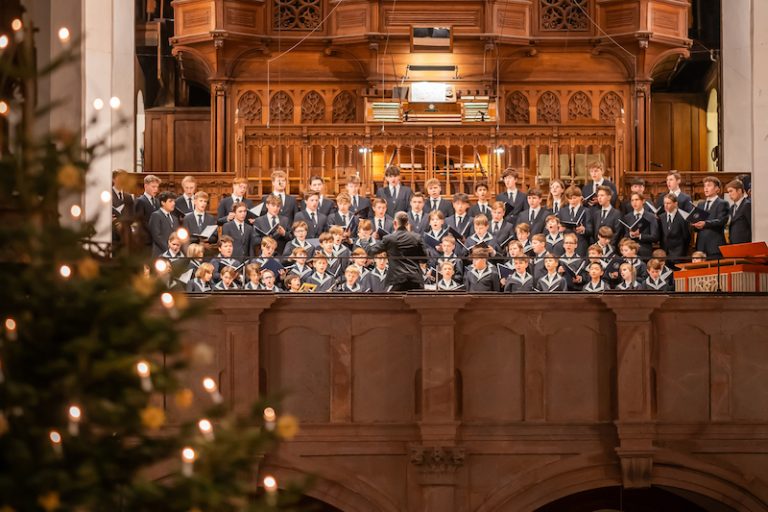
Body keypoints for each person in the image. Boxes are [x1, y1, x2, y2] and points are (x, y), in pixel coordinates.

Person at [365, 211, 428, 291]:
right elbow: (424, 259)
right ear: (407, 224)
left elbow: (370, 252)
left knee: (393, 303)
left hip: (397, 280)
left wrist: (364, 240)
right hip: (415, 280)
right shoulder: (417, 238)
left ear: (394, 223)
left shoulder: (389, 238)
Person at [692, 176, 728, 259]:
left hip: (714, 246)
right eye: (704, 186)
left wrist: (705, 224)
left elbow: (721, 221)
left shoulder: (722, 203)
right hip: (701, 247)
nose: (706, 188)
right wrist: (694, 224)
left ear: (717, 189)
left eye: (709, 185)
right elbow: (697, 225)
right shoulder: (701, 204)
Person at [619, 192, 659, 259]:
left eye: (637, 200)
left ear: (643, 201)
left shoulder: (651, 217)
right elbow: (625, 236)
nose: (634, 202)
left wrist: (639, 236)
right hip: (630, 253)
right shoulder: (627, 217)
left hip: (645, 252)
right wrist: (631, 235)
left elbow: (655, 237)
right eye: (632, 200)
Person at [557, 186, 592, 255]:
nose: (572, 201)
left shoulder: (585, 211)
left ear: (580, 197)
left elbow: (590, 230)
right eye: (570, 198)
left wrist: (583, 229)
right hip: (565, 244)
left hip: (580, 244)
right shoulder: (562, 210)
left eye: (574, 198)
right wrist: (559, 228)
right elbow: (558, 226)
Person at [659, 193, 691, 263]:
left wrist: (682, 252)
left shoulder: (683, 217)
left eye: (668, 203)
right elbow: (662, 235)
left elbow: (687, 237)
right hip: (665, 254)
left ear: (675, 204)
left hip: (679, 254)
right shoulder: (662, 217)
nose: (666, 205)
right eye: (665, 203)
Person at [134, 174, 161, 253]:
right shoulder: (140, 201)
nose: (156, 189)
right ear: (146, 186)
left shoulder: (157, 201)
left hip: (155, 239)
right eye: (153, 187)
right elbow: (139, 221)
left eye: (157, 187)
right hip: (145, 239)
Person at [148, 191, 180, 256]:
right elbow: (156, 236)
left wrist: (175, 248)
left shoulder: (175, 218)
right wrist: (169, 249)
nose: (173, 203)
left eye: (174, 201)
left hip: (174, 253)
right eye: (170, 201)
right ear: (163, 202)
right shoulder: (156, 215)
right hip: (160, 253)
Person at [725, 179, 752, 245]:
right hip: (733, 243)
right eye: (728, 192)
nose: (729, 194)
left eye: (731, 191)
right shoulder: (732, 207)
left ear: (739, 191)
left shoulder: (747, 205)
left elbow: (751, 226)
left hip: (745, 244)